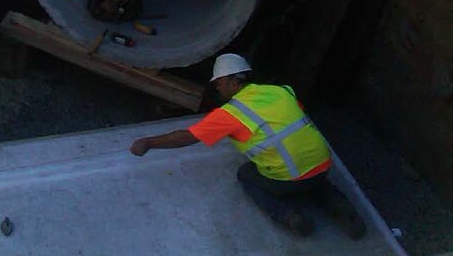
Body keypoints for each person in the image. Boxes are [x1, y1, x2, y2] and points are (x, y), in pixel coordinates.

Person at [129, 53, 366, 239]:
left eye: (220, 83)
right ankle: (343, 210)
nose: (218, 88)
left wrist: (149, 142)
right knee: (314, 181)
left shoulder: (233, 113)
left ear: (234, 81)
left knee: (247, 174)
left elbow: (188, 136)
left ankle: (289, 217)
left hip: (288, 178)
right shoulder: (281, 91)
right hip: (323, 164)